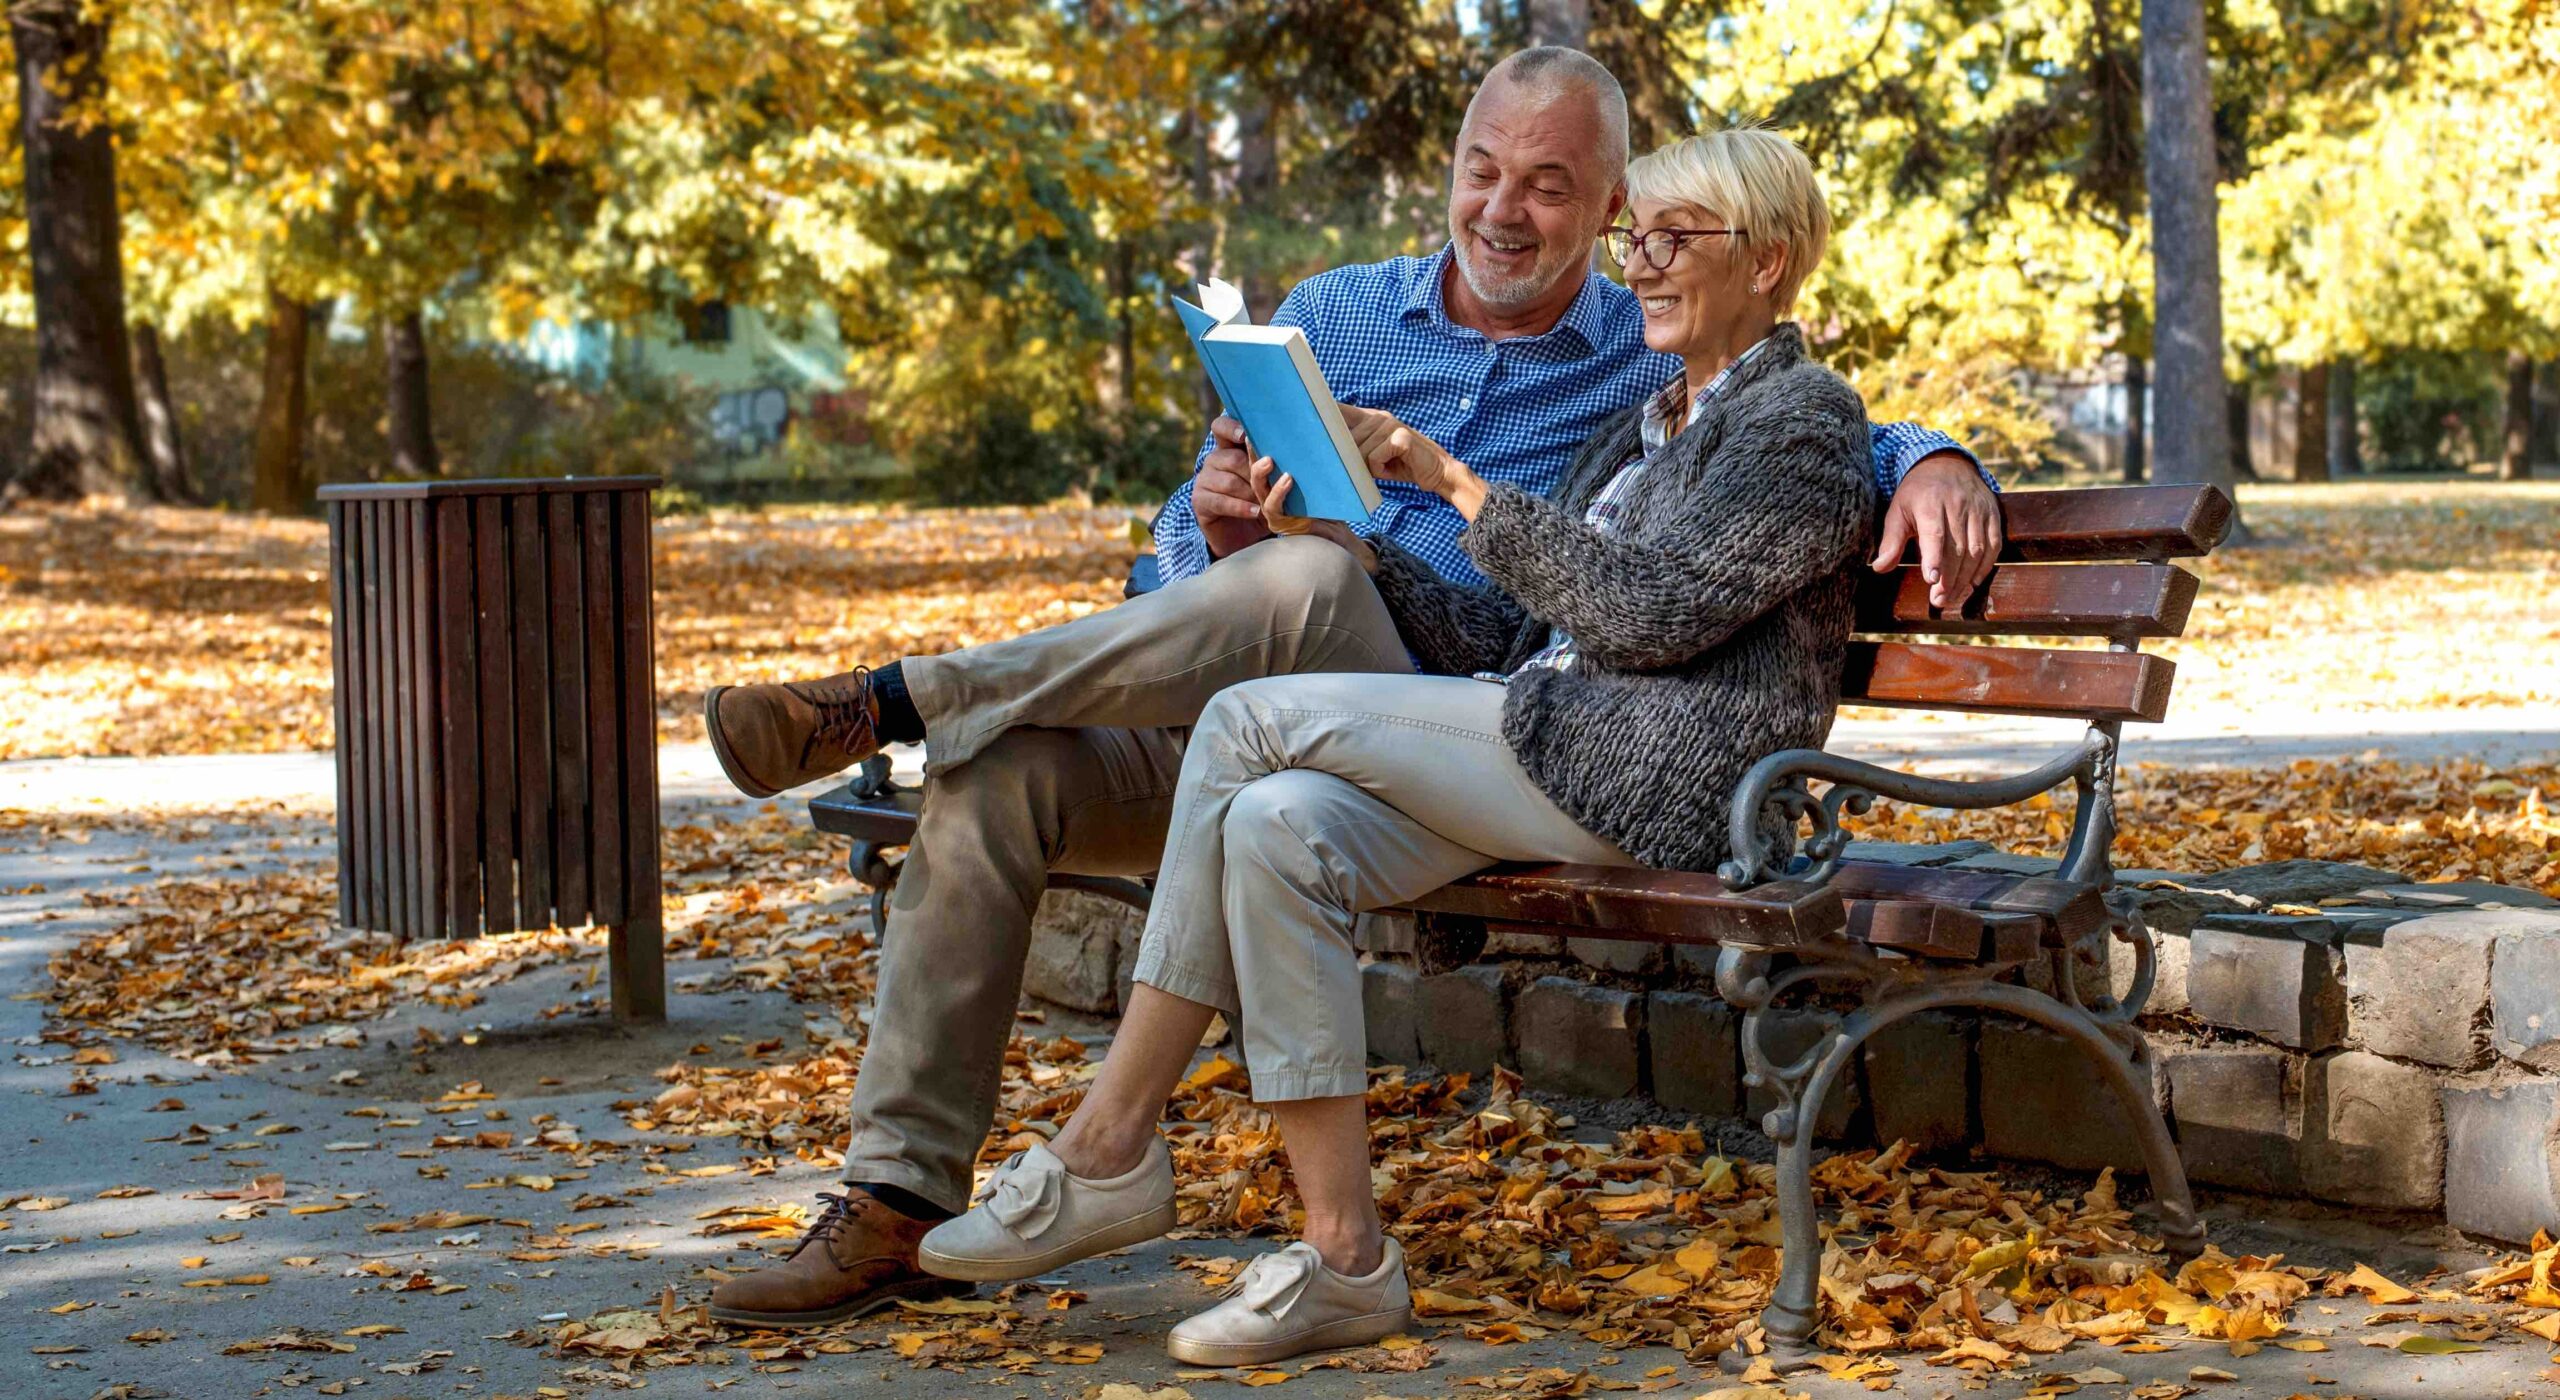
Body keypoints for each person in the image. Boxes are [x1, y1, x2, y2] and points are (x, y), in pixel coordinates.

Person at [696, 47, 1998, 1332]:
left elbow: (1801, 421)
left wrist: (1933, 455)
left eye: (1550, 186)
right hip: (1250, 677)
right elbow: (1178, 538)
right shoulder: (1338, 312)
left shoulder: (1642, 347)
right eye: (1481, 170)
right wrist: (1208, 532)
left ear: (1610, 210)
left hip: (1442, 710)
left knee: (1318, 583)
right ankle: (896, 1201)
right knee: (1003, 774)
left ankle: (899, 703)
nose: (1502, 209)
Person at [913, 122, 1876, 1367]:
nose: (1639, 261)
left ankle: (1107, 1139)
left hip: (1662, 773)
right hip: (1550, 736)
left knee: (1248, 722)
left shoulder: (1800, 418)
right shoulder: (1640, 425)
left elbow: (1654, 612)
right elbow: (1500, 627)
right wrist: (1346, 543)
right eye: (1637, 234)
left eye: (1672, 237)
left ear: (1770, 260)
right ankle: (1345, 1257)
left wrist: (1454, 479)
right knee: (1276, 826)